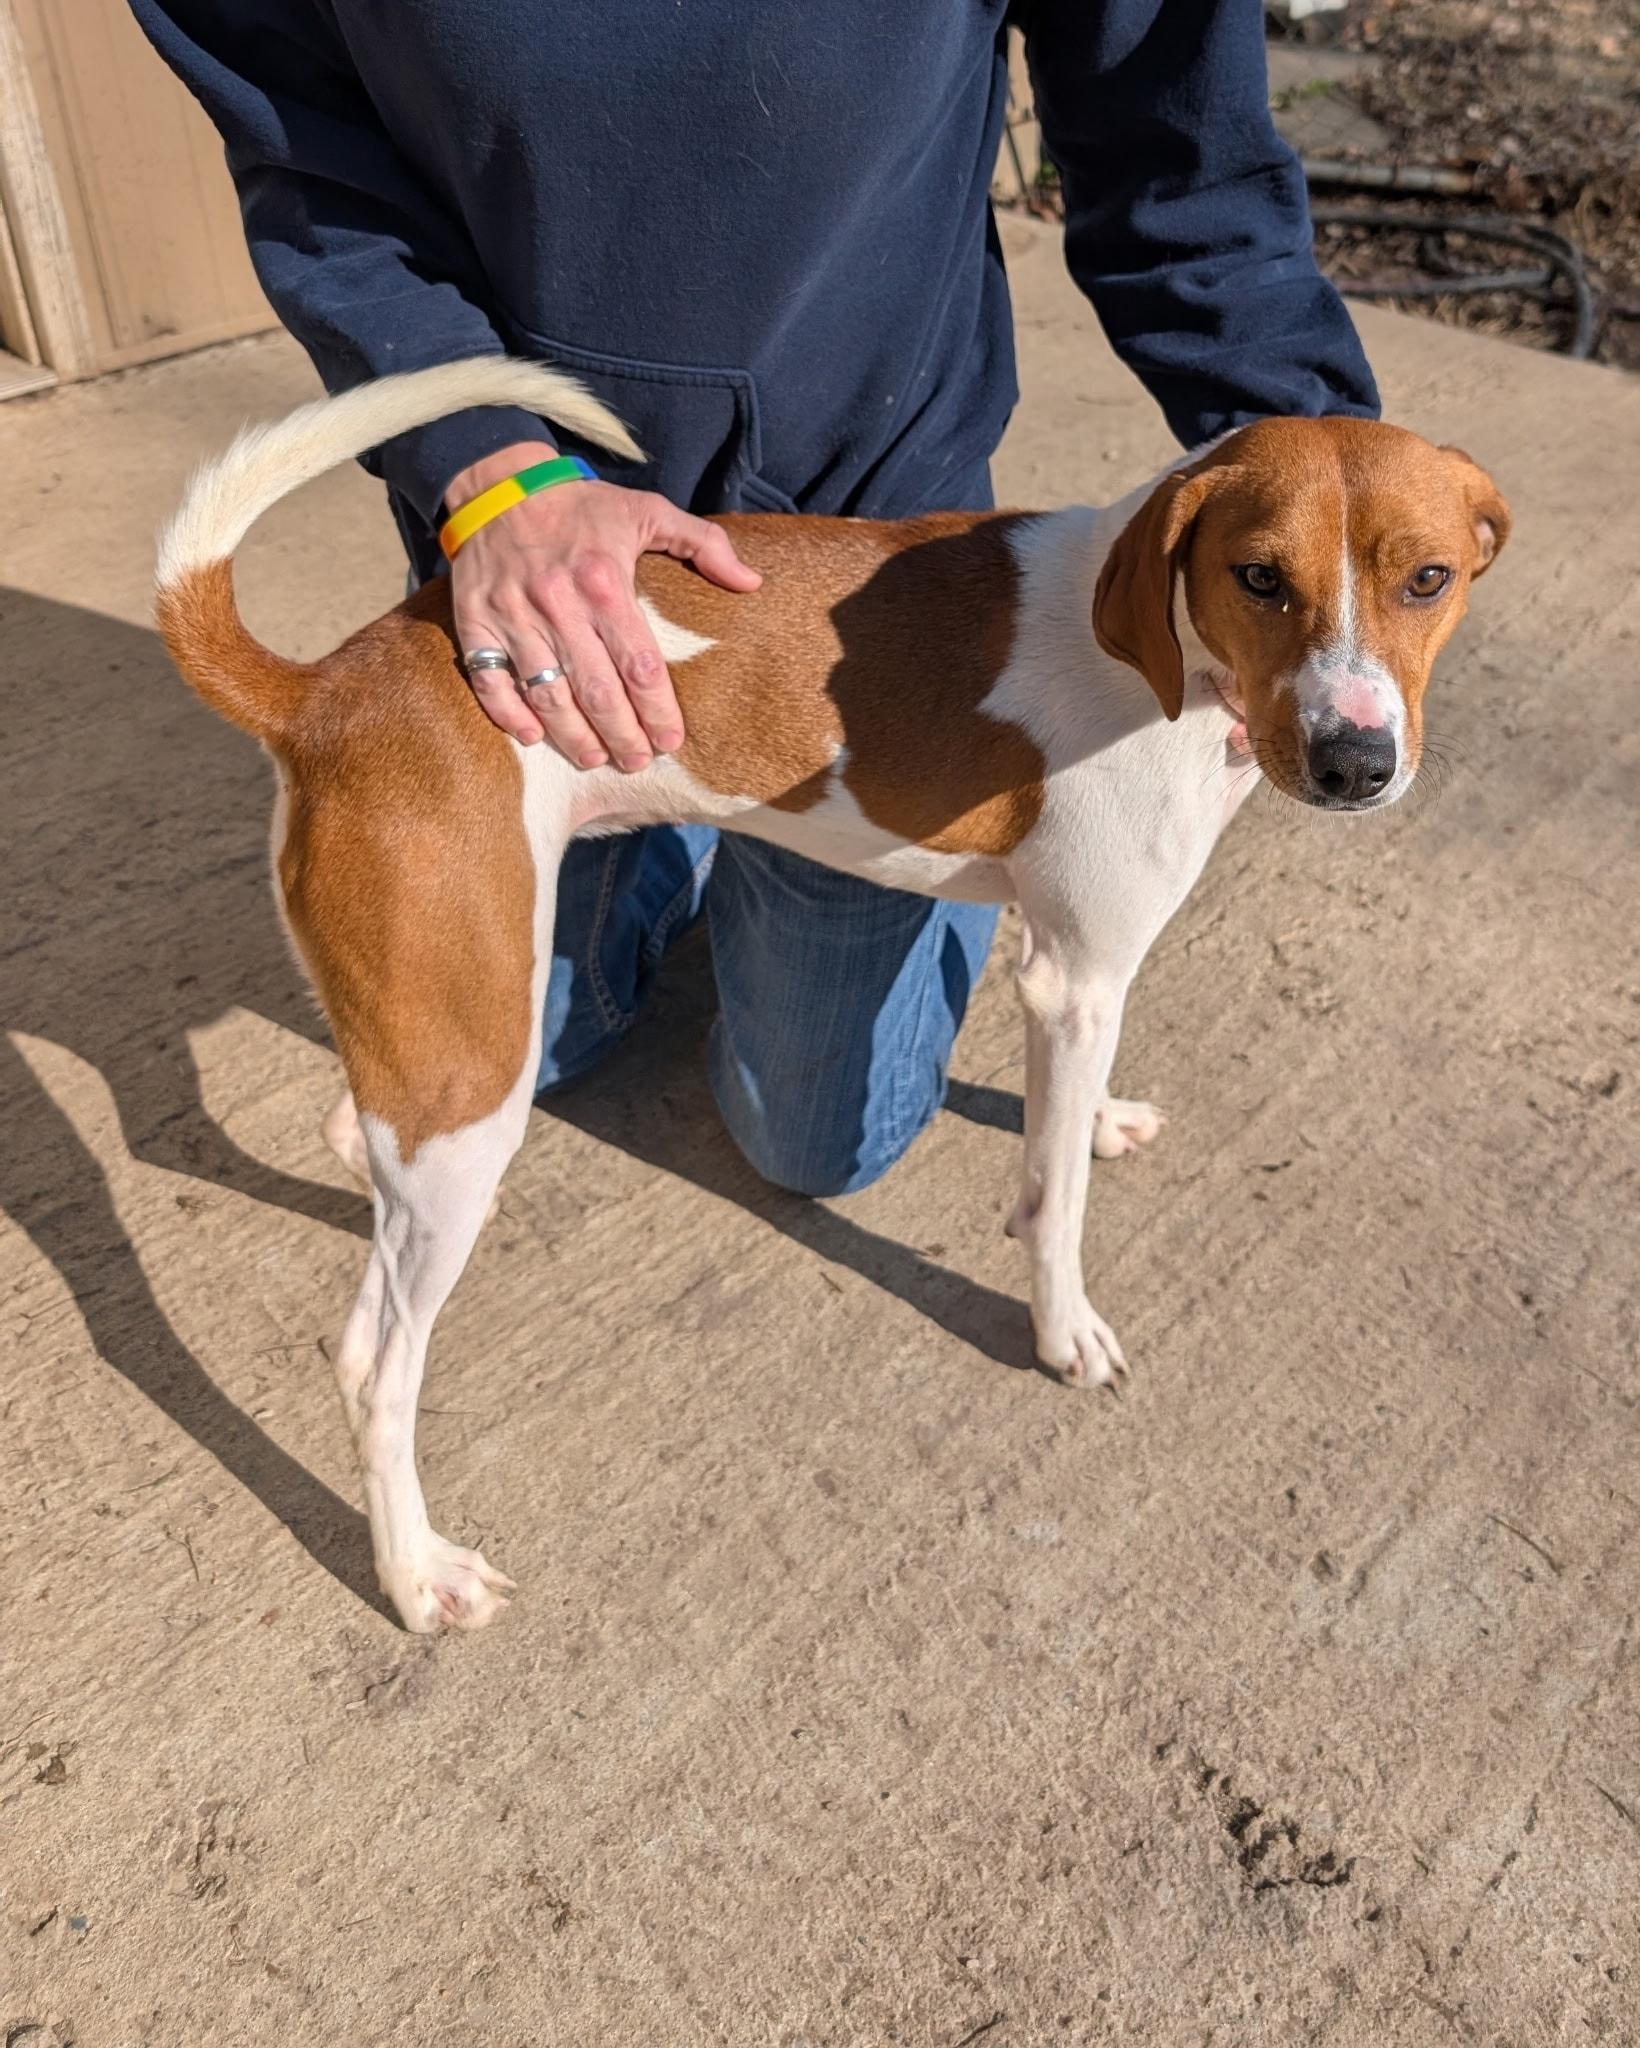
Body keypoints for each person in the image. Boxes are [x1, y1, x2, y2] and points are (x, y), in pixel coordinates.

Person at [133, 0, 1378, 1197]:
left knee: (818, 1139)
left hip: (874, 547)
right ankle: (673, 821)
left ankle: (744, 825)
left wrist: (1324, 535)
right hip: (532, 543)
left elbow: (1177, 151)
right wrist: (481, 459)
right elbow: (303, 145)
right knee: (502, 1064)